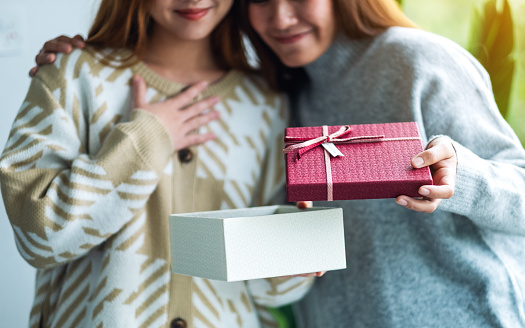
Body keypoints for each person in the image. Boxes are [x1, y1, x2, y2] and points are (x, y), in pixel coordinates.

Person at [25, 0, 525, 327]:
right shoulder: (282, 94)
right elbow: (273, 268)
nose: (282, 18)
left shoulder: (418, 63)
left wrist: (466, 176)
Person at [0, 0, 316, 327]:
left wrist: (296, 258)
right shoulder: (74, 77)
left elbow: (268, 290)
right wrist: (146, 140)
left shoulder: (267, 104)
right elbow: (36, 236)